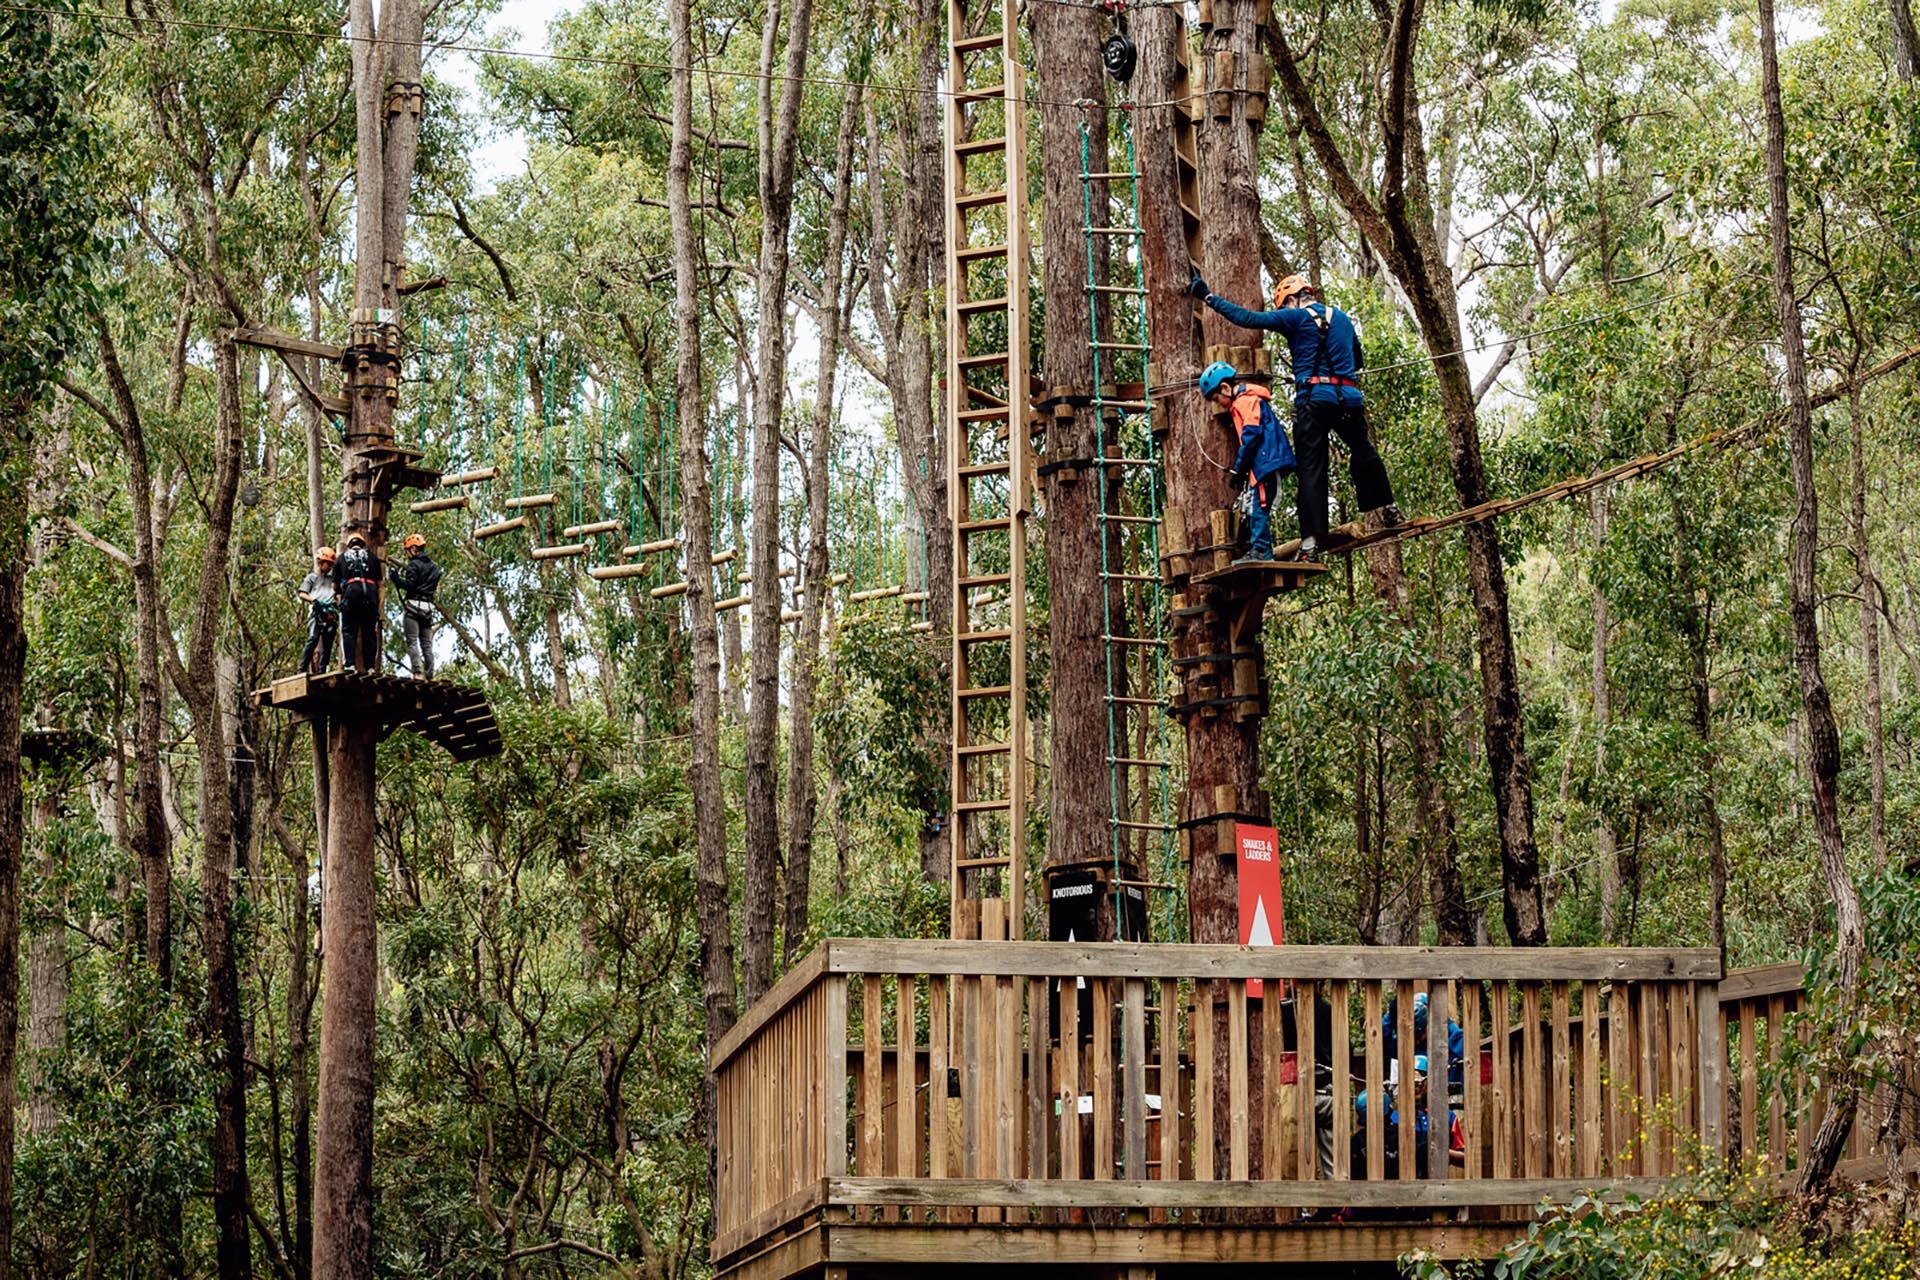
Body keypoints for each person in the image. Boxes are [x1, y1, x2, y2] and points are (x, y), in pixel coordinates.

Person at [1189, 273, 1400, 561]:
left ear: (1291, 299)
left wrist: (1208, 297)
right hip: (1349, 399)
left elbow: (1248, 318)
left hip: (1313, 401)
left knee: (1312, 469)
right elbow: (1358, 361)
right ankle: (1389, 508)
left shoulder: (1295, 318)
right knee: (1363, 450)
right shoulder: (1343, 319)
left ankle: (1310, 546)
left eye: (1283, 307)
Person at [1198, 360, 1295, 564]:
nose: (1219, 404)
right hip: (1261, 463)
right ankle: (1258, 547)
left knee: (1258, 507)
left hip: (1265, 463)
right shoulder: (1243, 402)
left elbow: (1252, 435)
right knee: (1253, 507)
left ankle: (1261, 550)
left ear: (1225, 388)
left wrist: (1240, 467)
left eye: (1217, 398)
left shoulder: (1245, 401)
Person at [389, 532, 444, 680]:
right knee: (426, 644)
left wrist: (396, 579)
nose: (407, 554)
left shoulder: (414, 565)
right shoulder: (434, 567)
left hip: (413, 607)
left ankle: (417, 673)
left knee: (412, 640)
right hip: (428, 608)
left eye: (407, 551)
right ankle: (430, 674)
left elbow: (410, 585)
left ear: (413, 549)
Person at [332, 533, 382, 674]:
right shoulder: (373, 558)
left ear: (348, 545)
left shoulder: (341, 558)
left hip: (351, 594)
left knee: (348, 631)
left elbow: (334, 586)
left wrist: (343, 588)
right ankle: (370, 667)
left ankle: (350, 665)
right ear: (362, 543)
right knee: (369, 632)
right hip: (370, 595)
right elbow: (379, 583)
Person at [297, 546, 339, 675]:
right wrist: (312, 600)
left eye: (332, 564)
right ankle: (302, 668)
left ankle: (322, 670)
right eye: (328, 564)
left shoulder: (333, 580)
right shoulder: (312, 578)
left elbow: (338, 594)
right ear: (320, 562)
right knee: (313, 638)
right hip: (316, 612)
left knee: (328, 643)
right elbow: (302, 593)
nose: (330, 567)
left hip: (330, 613)